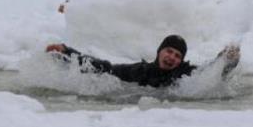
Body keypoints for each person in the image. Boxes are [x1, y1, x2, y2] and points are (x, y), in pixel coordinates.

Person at [45, 34, 240, 88]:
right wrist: (67, 52)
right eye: (169, 51)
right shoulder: (139, 71)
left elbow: (211, 73)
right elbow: (103, 68)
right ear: (159, 51)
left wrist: (227, 60)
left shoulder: (185, 74)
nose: (171, 57)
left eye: (177, 55)